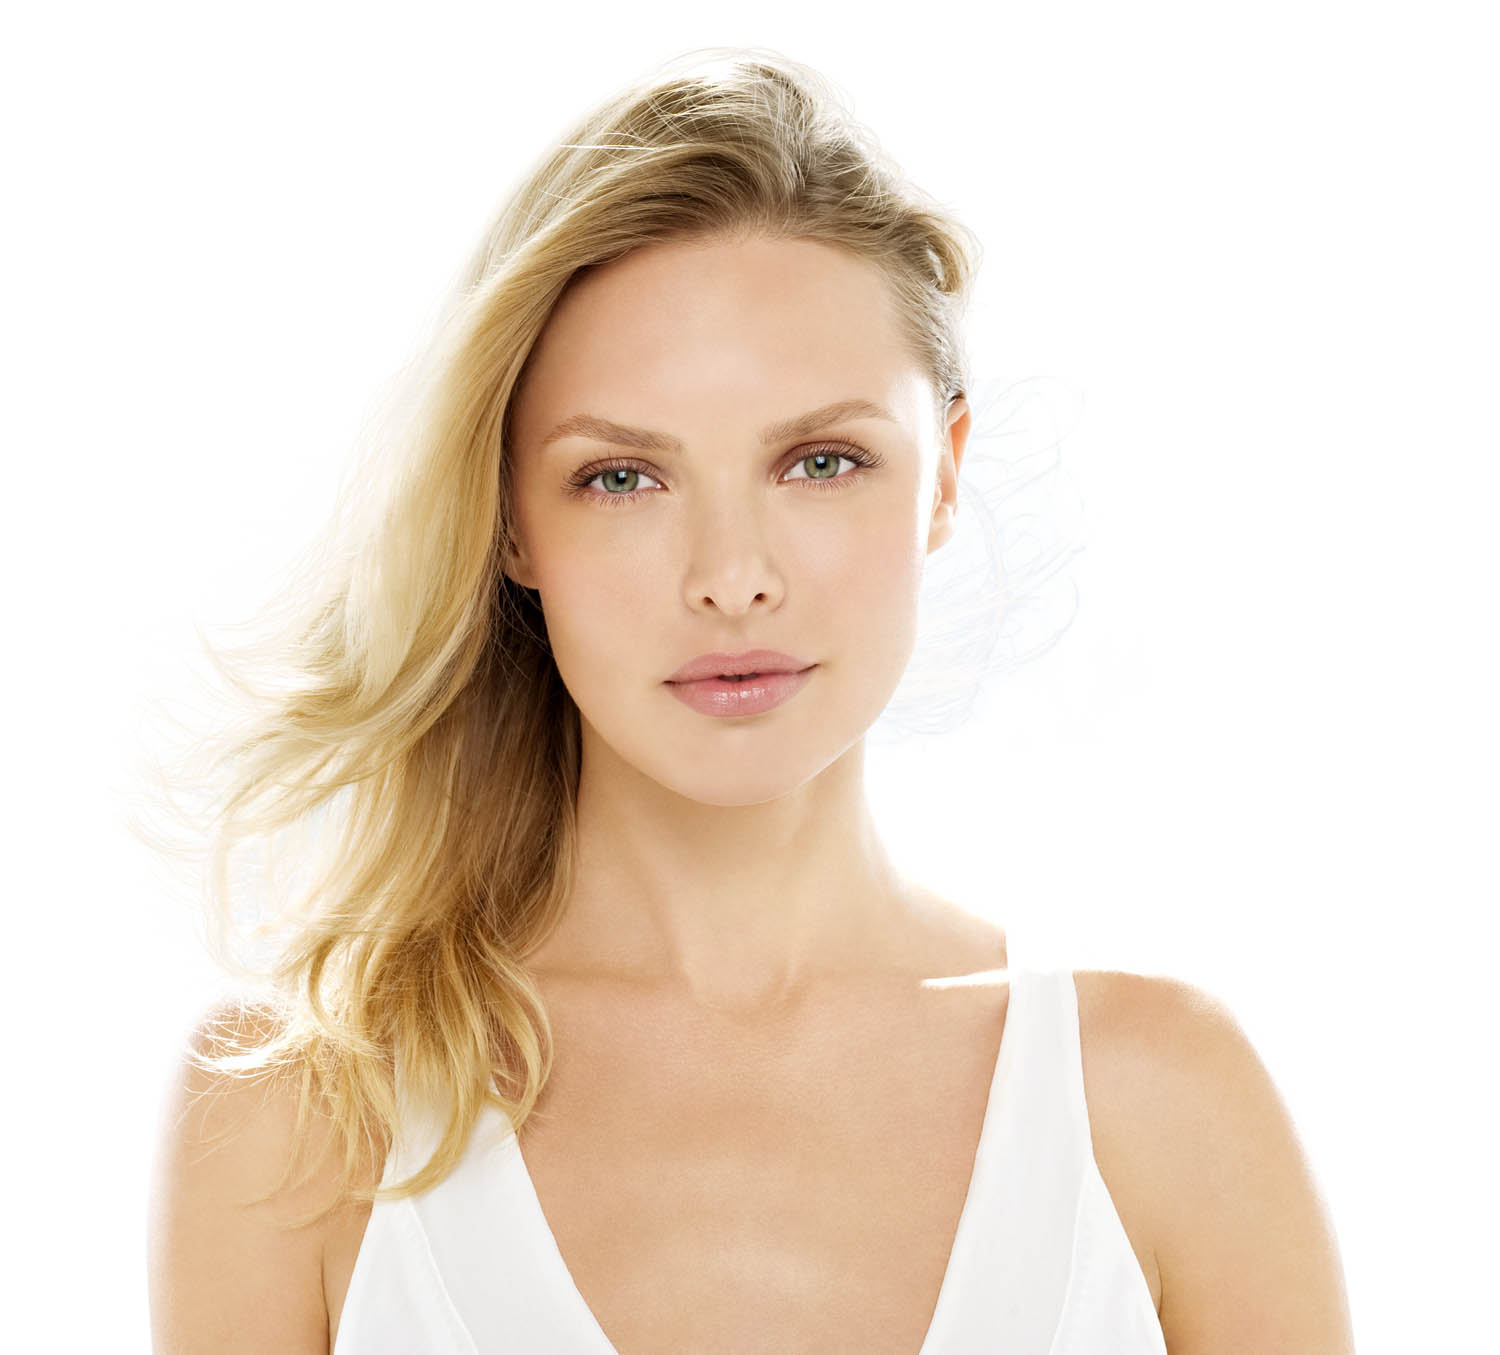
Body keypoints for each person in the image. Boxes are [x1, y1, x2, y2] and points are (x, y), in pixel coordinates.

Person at [146, 47, 1354, 1353]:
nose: (731, 578)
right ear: (507, 519)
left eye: (820, 461)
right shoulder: (299, 1119)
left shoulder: (1160, 1109)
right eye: (622, 478)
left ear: (944, 475)